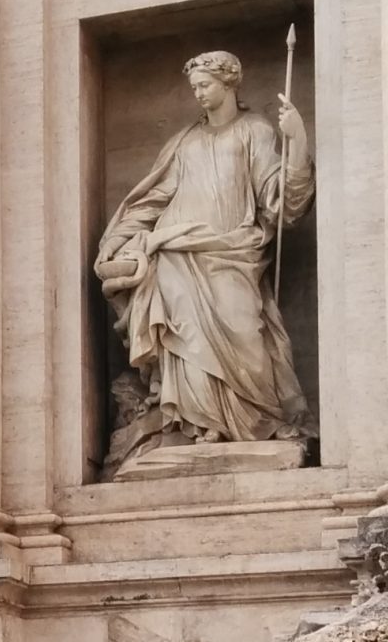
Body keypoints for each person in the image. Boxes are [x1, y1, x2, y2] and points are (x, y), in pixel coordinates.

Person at [93, 48, 313, 469]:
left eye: (205, 85)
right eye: (193, 87)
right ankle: (197, 424)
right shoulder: (184, 143)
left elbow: (281, 200)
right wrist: (117, 238)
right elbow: (153, 199)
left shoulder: (255, 131)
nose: (197, 94)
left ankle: (253, 420)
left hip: (234, 251)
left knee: (246, 330)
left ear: (229, 83)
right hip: (177, 252)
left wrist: (297, 139)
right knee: (185, 335)